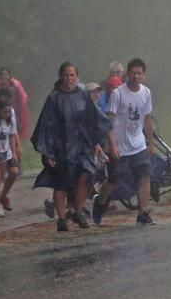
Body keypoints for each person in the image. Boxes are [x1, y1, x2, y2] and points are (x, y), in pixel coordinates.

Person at [31, 62, 109, 231]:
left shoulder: (82, 95)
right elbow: (46, 125)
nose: (69, 78)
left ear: (77, 76)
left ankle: (78, 211)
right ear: (60, 76)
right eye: (66, 75)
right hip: (61, 148)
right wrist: (47, 152)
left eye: (72, 75)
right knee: (61, 183)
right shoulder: (54, 98)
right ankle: (61, 218)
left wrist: (96, 142)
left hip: (82, 146)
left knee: (84, 178)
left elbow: (94, 120)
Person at [93, 58, 156, 226]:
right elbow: (110, 121)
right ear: (127, 74)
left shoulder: (146, 93)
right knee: (114, 180)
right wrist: (112, 145)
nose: (136, 76)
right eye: (133, 73)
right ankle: (100, 201)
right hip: (120, 146)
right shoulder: (118, 93)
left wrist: (150, 142)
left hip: (139, 144)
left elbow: (147, 118)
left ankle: (143, 213)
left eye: (139, 73)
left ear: (144, 75)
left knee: (144, 177)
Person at [0, 67, 31, 138]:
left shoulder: (16, 86)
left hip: (14, 114)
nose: (4, 76)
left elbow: (22, 103)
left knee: (14, 137)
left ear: (10, 75)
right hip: (1, 115)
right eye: (2, 74)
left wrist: (20, 119)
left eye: (6, 74)